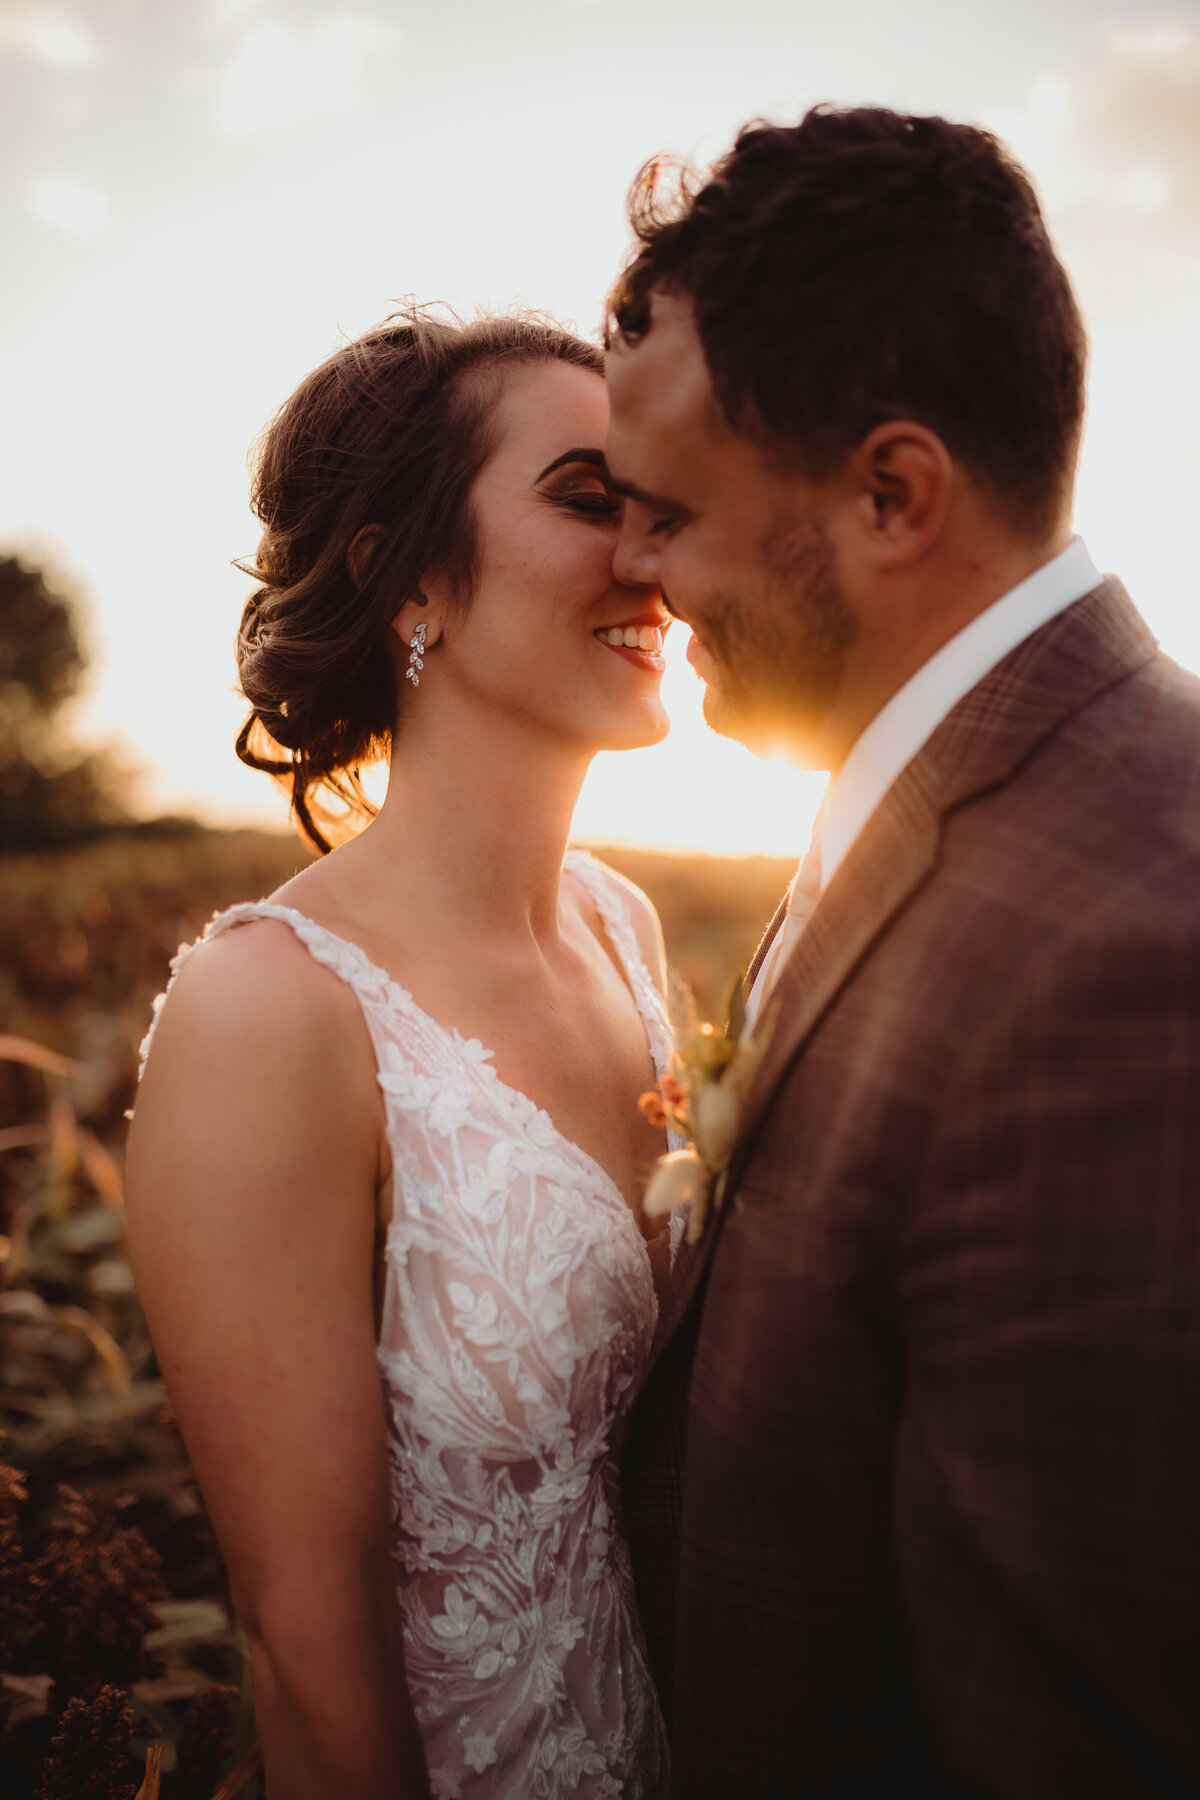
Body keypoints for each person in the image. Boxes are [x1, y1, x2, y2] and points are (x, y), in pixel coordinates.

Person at [605, 107, 1200, 1797]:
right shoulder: (944, 796)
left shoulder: (1129, 963)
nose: (634, 572)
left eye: (667, 513)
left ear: (890, 494)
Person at [125, 308, 674, 1800]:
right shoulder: (275, 1014)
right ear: (401, 569)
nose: (655, 555)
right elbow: (309, 1661)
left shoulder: (623, 931)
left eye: (660, 504)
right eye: (585, 497)